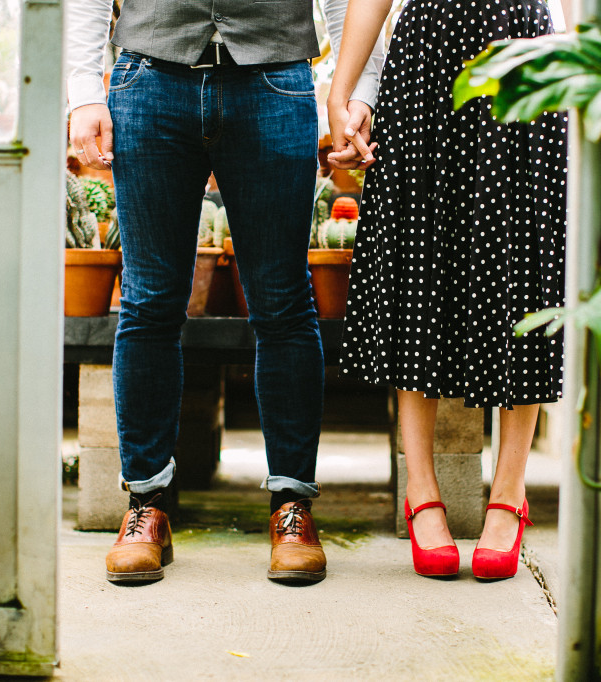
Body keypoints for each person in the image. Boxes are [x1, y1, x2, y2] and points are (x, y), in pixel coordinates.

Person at [66, 0, 383, 584]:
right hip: (149, 79)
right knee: (150, 302)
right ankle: (146, 507)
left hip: (275, 81)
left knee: (283, 301)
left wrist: (359, 91)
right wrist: (85, 92)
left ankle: (292, 506)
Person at [327, 0, 569, 579]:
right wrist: (343, 90)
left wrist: (584, 67)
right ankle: (422, 489)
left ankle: (510, 490)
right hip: (426, 58)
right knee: (420, 260)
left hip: (525, 54)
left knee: (522, 264)